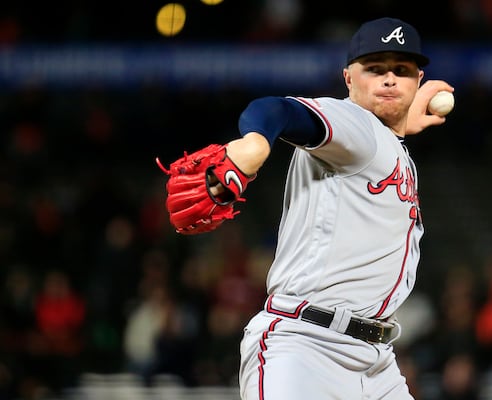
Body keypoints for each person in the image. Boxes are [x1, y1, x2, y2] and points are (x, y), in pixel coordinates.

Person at [169, 17, 453, 399]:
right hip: (307, 349)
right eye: (374, 68)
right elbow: (278, 110)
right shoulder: (355, 123)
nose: (388, 79)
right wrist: (255, 143)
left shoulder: (385, 143)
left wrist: (399, 129)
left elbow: (375, 148)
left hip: (376, 360)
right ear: (349, 79)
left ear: (418, 81)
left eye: (400, 71)